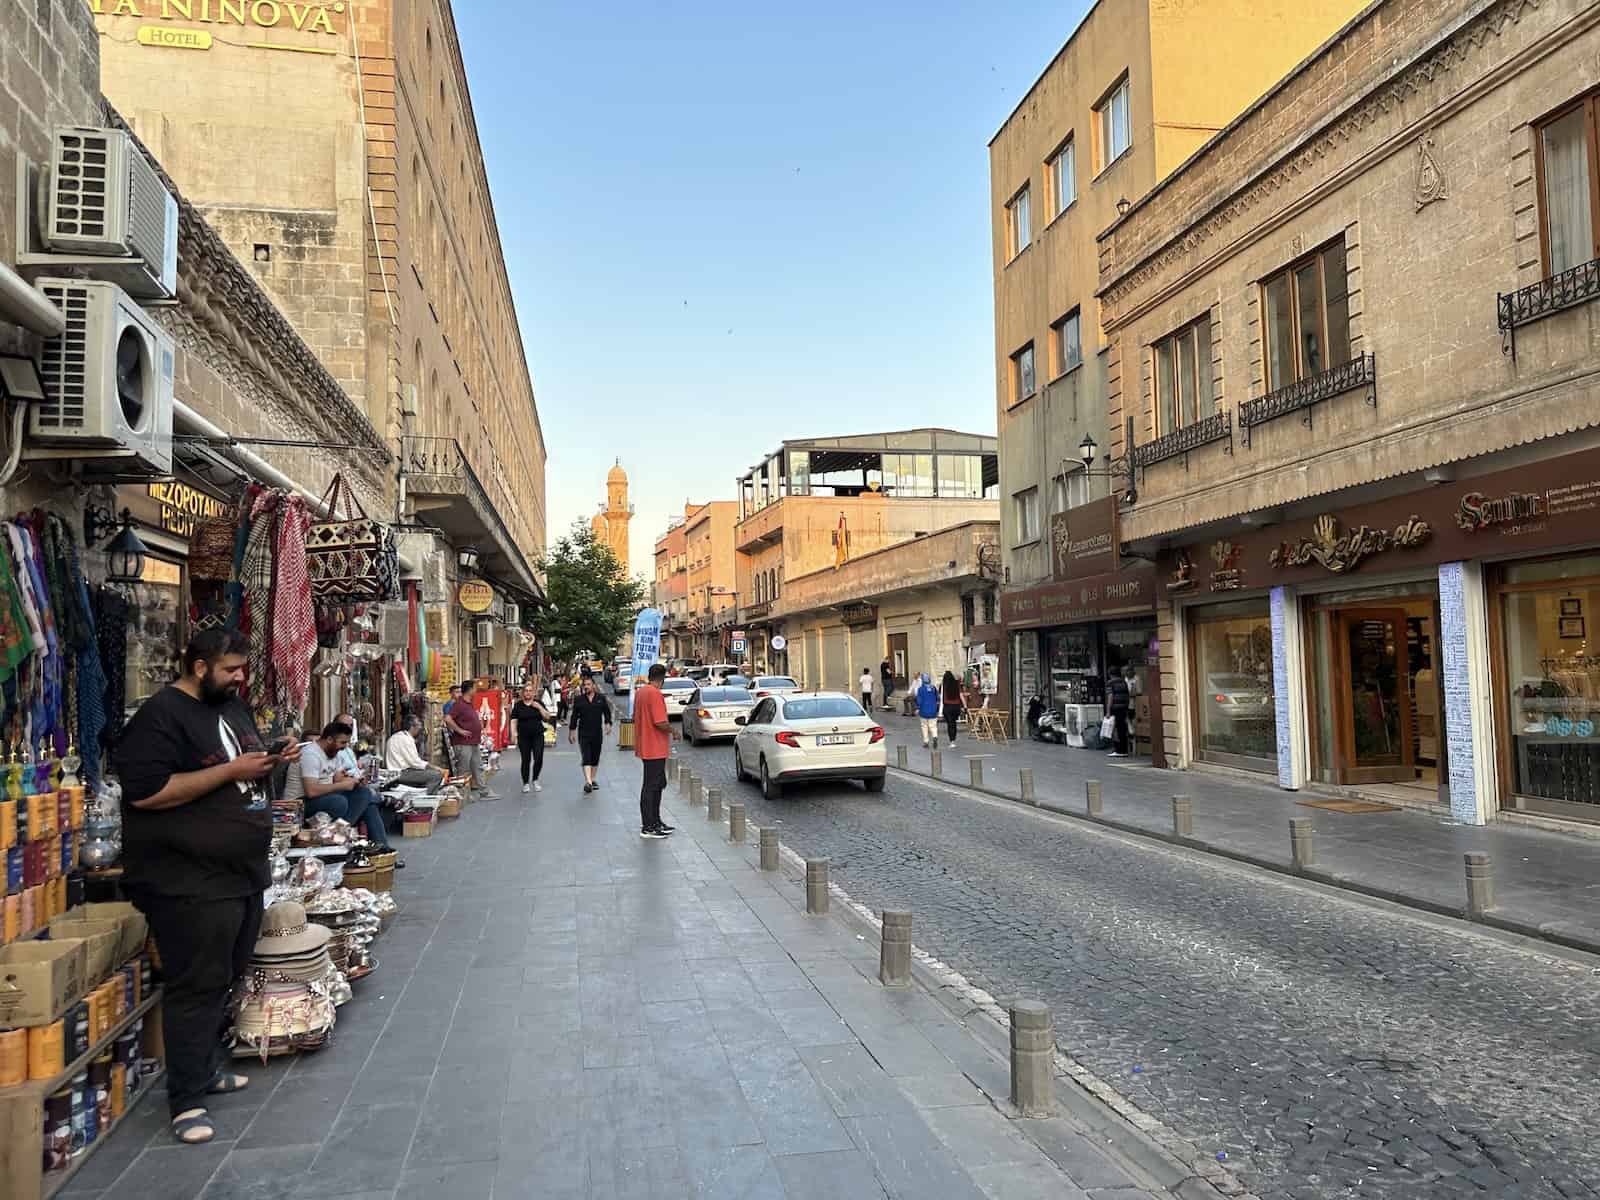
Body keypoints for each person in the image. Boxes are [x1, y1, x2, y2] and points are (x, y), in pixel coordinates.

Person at [114, 630, 302, 1146]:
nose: (241, 678)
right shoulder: (160, 717)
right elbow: (148, 793)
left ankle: (207, 1068)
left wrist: (269, 758)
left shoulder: (230, 707)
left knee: (227, 974)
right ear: (199, 666)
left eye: (242, 668)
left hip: (239, 873)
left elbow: (239, 765)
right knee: (195, 984)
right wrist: (231, 771)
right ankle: (185, 1102)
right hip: (188, 879)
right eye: (232, 669)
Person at [284, 721, 394, 850]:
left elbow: (337, 778)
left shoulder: (333, 753)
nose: (344, 747)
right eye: (342, 743)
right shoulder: (310, 754)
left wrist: (354, 781)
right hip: (299, 804)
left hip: (323, 797)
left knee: (364, 795)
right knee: (339, 802)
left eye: (347, 743)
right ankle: (337, 839)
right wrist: (342, 786)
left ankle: (382, 848)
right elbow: (311, 791)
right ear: (329, 739)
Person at [634, 663, 675, 838]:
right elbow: (660, 721)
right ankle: (648, 826)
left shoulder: (640, 692)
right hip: (655, 747)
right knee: (651, 787)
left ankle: (656, 821)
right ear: (662, 678)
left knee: (656, 785)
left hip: (645, 744)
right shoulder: (655, 694)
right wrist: (674, 731)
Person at [568, 674, 613, 793]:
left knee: (595, 757)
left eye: (588, 684)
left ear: (593, 686)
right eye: (584, 685)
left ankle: (592, 779)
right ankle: (588, 782)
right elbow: (574, 717)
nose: (586, 687)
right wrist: (572, 731)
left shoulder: (601, 698)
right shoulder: (579, 700)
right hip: (583, 733)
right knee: (586, 756)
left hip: (597, 733)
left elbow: (607, 712)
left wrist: (608, 724)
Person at [508, 676, 554, 794]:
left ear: (534, 693)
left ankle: (535, 779)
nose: (528, 693)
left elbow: (547, 717)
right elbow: (513, 720)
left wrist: (539, 708)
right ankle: (526, 783)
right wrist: (513, 734)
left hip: (538, 735)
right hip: (524, 736)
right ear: (523, 693)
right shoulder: (518, 705)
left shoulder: (538, 703)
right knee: (526, 759)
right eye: (526, 691)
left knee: (538, 758)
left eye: (530, 691)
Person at [445, 679, 485, 799]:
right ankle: (463, 795)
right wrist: (459, 730)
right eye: (475, 688)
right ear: (470, 690)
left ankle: (484, 790)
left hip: (473, 741)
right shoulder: (459, 704)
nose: (476, 690)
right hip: (463, 743)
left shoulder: (468, 703)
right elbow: (447, 718)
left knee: (477, 766)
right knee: (464, 769)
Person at [385, 716, 444, 790]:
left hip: (398, 772)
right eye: (418, 725)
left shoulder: (397, 736)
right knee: (436, 775)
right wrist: (435, 767)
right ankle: (429, 796)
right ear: (412, 727)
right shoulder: (405, 739)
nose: (420, 728)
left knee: (428, 772)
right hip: (400, 773)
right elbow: (415, 762)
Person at [1106, 666, 1133, 758]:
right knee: (1123, 728)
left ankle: (1118, 749)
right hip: (1124, 707)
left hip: (1115, 708)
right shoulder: (1124, 682)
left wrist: (1108, 711)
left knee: (1115, 730)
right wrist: (1126, 706)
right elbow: (1127, 695)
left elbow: (1110, 697)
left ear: (1110, 674)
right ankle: (1124, 749)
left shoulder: (1110, 683)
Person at [915, 673, 942, 748]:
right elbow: (938, 698)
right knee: (933, 726)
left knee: (924, 726)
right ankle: (935, 736)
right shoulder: (933, 688)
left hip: (923, 711)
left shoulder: (921, 689)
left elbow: (919, 700)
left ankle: (926, 741)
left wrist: (918, 708)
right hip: (933, 711)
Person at [941, 669, 964, 748]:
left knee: (950, 724)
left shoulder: (944, 685)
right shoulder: (956, 684)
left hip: (947, 706)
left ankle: (951, 741)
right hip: (956, 706)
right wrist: (965, 706)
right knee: (954, 724)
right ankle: (953, 740)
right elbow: (961, 694)